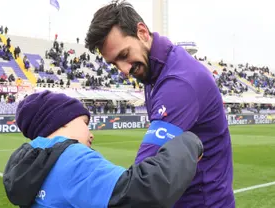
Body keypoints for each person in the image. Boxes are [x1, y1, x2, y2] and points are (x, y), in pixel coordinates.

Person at [84, 1, 235, 207]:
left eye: (124, 55)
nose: (124, 70)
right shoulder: (153, 70)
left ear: (143, 33)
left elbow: (143, 184)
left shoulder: (179, 82)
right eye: (114, 63)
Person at [3, 90, 203, 208]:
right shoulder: (70, 158)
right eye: (84, 123)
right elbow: (144, 191)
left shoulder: (24, 159)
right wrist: (188, 143)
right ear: (61, 123)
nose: (91, 134)